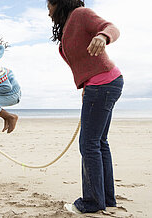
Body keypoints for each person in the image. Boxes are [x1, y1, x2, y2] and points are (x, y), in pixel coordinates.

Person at [47, 0, 124, 214]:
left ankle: (91, 202)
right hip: (101, 84)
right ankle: (106, 198)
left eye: (49, 7)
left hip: (104, 84)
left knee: (88, 144)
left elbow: (112, 28)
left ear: (59, 3)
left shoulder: (81, 14)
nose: (48, 13)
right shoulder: (70, 25)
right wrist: (86, 84)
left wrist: (102, 36)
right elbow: (85, 62)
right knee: (99, 142)